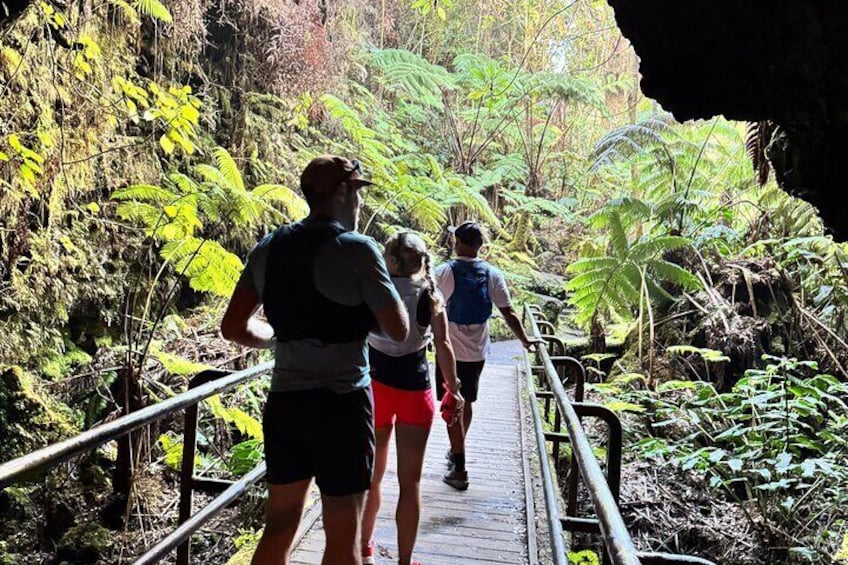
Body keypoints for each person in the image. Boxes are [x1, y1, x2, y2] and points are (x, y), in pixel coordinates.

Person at [220, 155, 409, 565]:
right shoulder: (357, 249)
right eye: (356, 192)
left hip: (287, 404)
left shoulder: (269, 247)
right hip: (342, 405)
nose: (357, 202)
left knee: (280, 523)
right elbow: (398, 329)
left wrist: (275, 340)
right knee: (343, 530)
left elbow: (234, 327)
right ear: (342, 193)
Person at [360, 232, 464, 565]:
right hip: (415, 394)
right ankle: (405, 561)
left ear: (387, 261)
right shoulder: (430, 295)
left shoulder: (375, 292)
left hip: (375, 390)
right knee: (410, 483)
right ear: (422, 262)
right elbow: (444, 346)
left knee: (372, 478)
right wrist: (453, 388)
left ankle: (364, 549)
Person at [434, 220, 540, 490]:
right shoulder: (492, 274)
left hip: (450, 351)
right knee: (466, 402)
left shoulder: (445, 272)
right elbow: (508, 312)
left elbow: (429, 305)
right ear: (480, 246)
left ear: (458, 242)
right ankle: (457, 449)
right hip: (477, 350)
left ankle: (459, 468)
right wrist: (525, 340)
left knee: (450, 405)